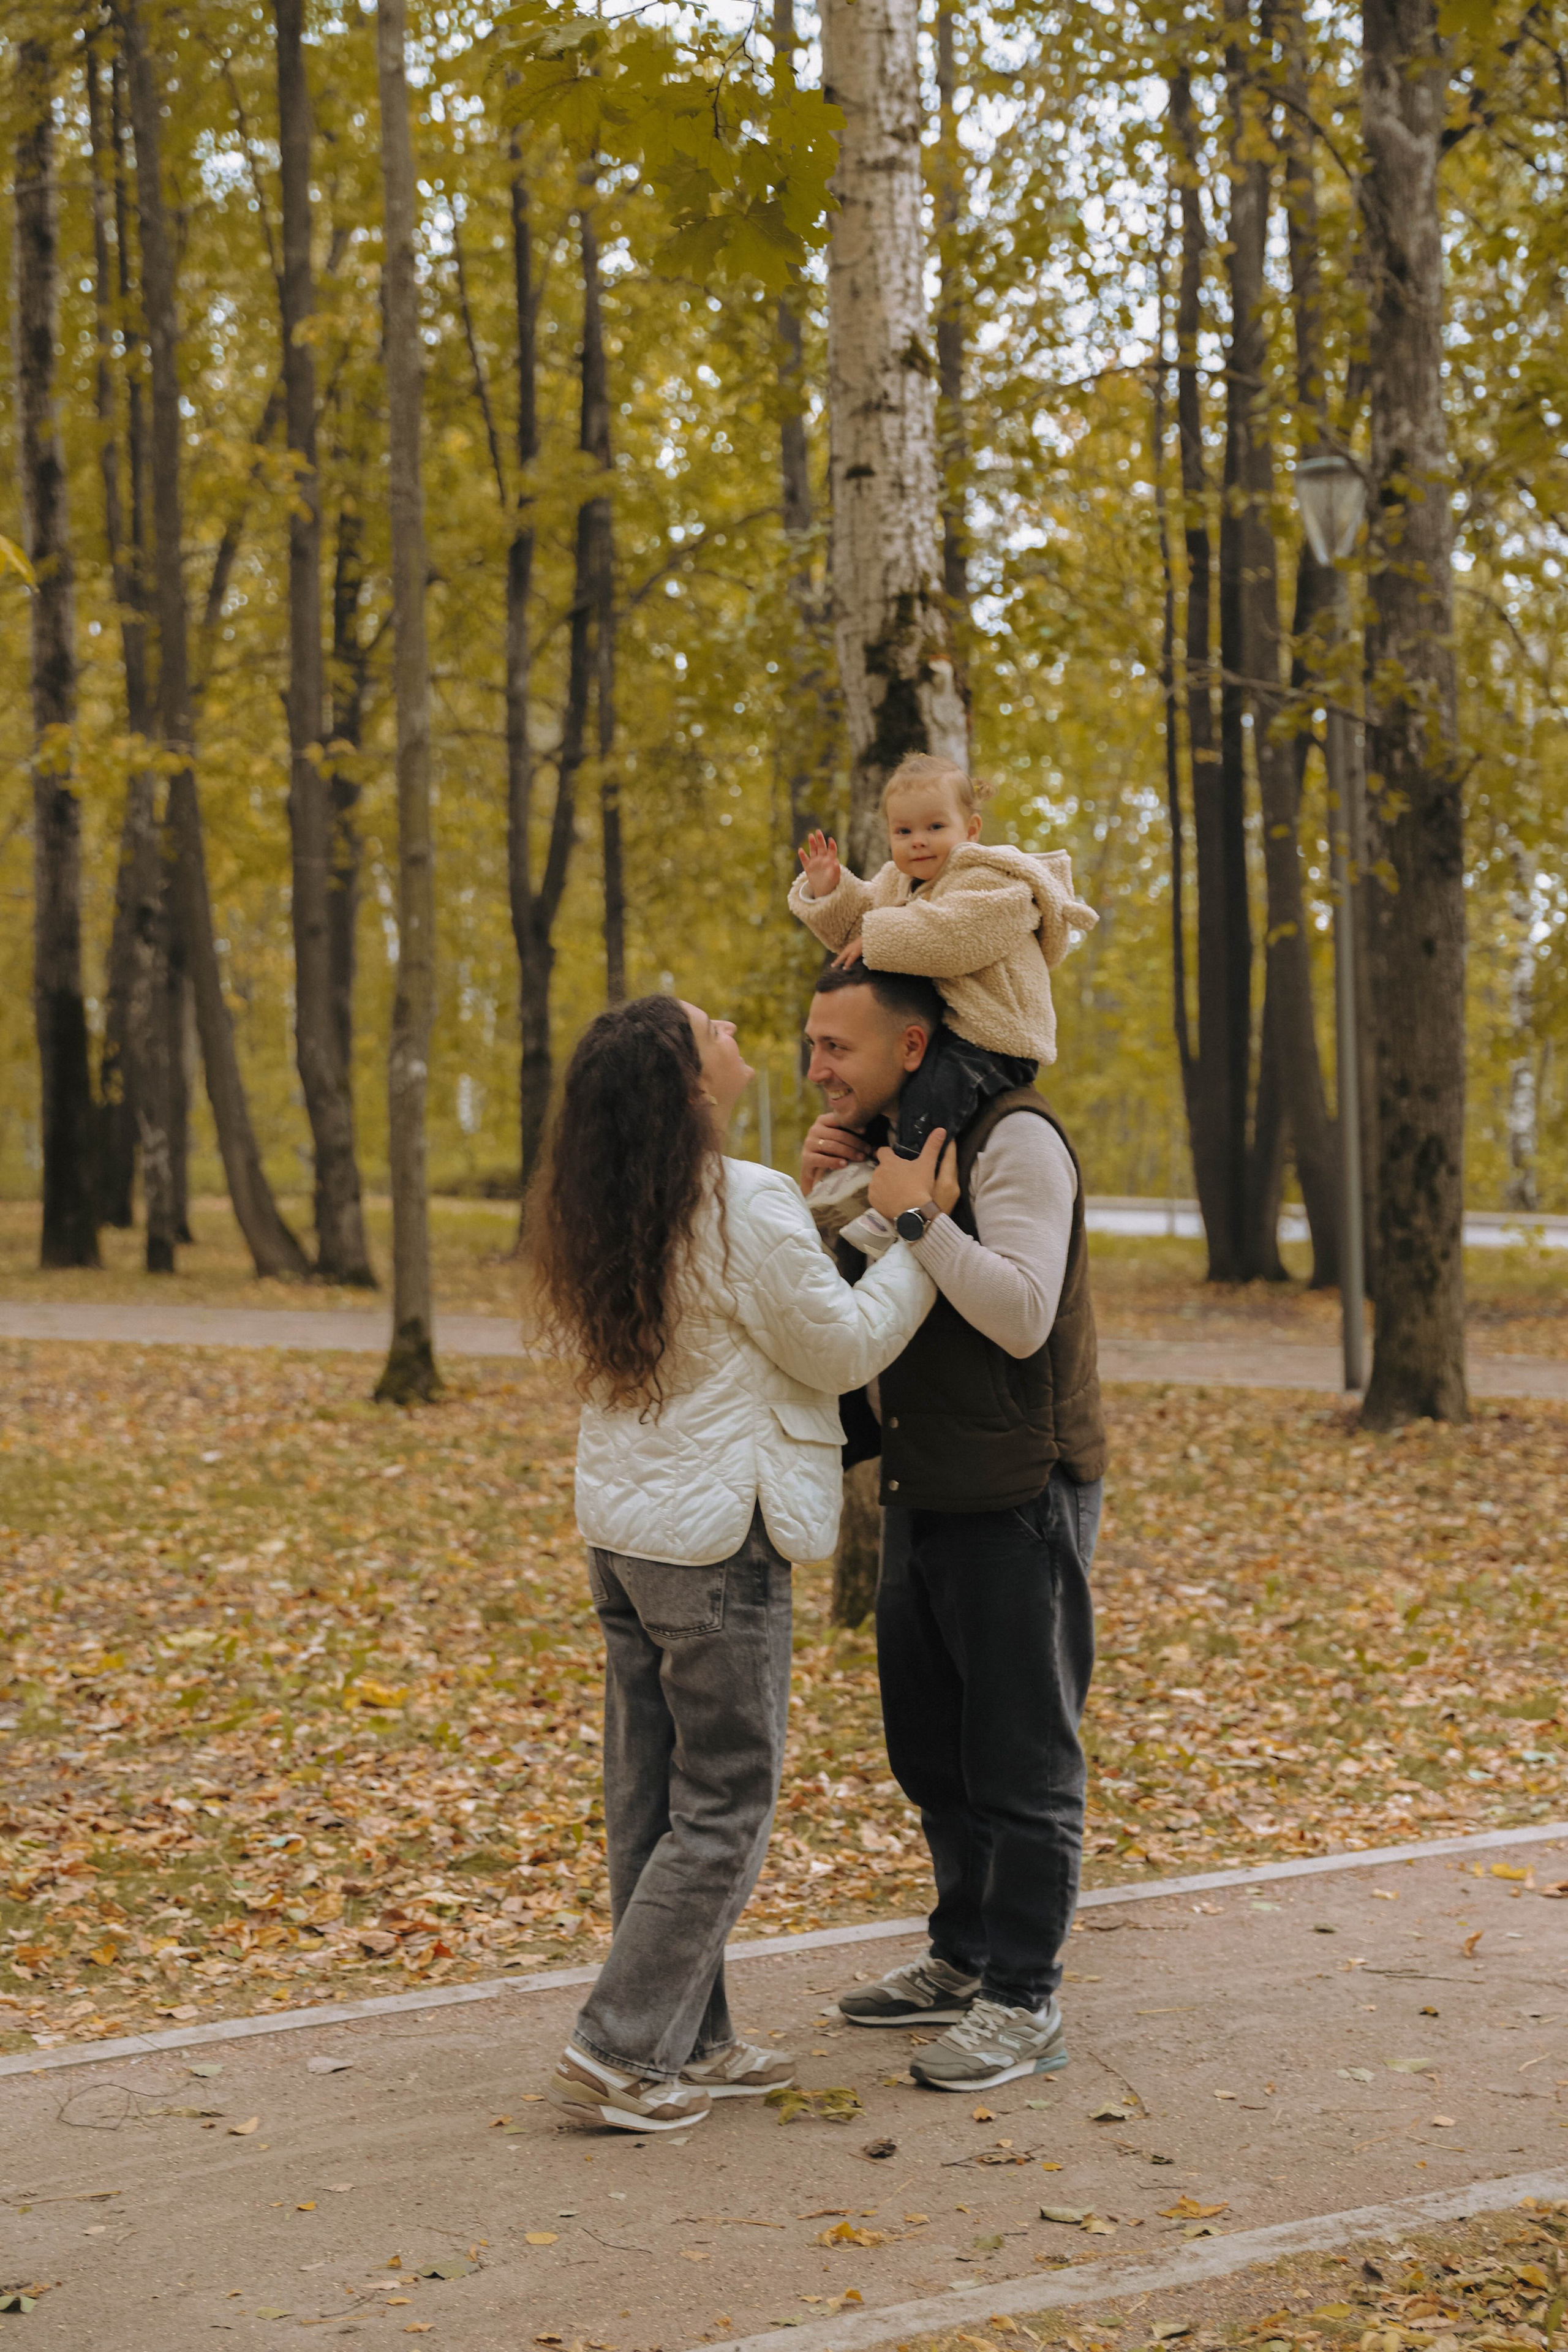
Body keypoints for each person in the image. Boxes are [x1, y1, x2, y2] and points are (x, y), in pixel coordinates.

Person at [530, 993, 941, 2134]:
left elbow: (771, 1309)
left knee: (651, 1802)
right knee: (723, 1806)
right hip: (721, 1545)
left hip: (629, 1538)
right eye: (713, 1026)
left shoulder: (619, 1204)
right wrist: (914, 1234)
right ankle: (619, 2046)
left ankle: (686, 2039)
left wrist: (855, 1229)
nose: (737, 1032)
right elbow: (844, 1341)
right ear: (690, 1080)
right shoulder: (744, 1199)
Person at [799, 960, 1107, 2094]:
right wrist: (814, 1196)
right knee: (931, 1749)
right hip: (928, 1481)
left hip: (1024, 1488)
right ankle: (964, 1953)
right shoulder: (889, 1152)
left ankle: (1024, 1999)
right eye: (812, 1045)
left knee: (1021, 1757)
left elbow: (1022, 1317)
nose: (818, 1068)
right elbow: (840, 1321)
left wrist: (916, 1214)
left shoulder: (1015, 1140)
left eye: (838, 1048)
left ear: (914, 1049)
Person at [788, 753, 1096, 1161]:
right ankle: (864, 1178)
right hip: (948, 1030)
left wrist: (877, 935)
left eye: (935, 827)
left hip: (996, 1038)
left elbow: (953, 936)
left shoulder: (990, 880)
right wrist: (830, 892)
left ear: (970, 831)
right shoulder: (897, 882)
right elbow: (855, 930)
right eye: (903, 830)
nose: (918, 840)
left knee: (933, 1100)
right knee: (888, 1101)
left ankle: (908, 1178)